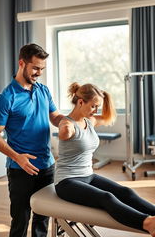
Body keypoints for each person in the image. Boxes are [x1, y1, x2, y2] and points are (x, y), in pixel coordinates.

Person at [55, 82, 155, 236]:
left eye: (98, 107)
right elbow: (64, 131)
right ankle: (147, 223)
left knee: (126, 192)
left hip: (88, 176)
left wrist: (106, 103)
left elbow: (108, 117)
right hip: (67, 182)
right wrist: (64, 130)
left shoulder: (90, 121)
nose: (96, 111)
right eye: (94, 106)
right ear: (81, 102)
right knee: (106, 198)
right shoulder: (67, 125)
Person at [0, 43, 64, 237]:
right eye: (36, 68)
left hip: (46, 165)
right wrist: (17, 157)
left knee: (42, 218)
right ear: (22, 63)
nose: (39, 73)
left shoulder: (43, 90)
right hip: (20, 168)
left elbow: (55, 117)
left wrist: (71, 121)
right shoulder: (6, 98)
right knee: (21, 220)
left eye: (42, 69)